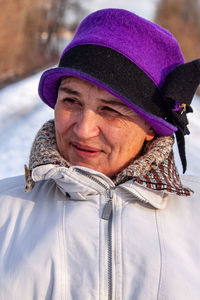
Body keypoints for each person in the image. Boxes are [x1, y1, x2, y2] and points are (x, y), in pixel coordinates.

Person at [0, 8, 200, 300]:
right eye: (71, 100)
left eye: (110, 110)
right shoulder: (5, 211)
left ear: (151, 127)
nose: (83, 130)